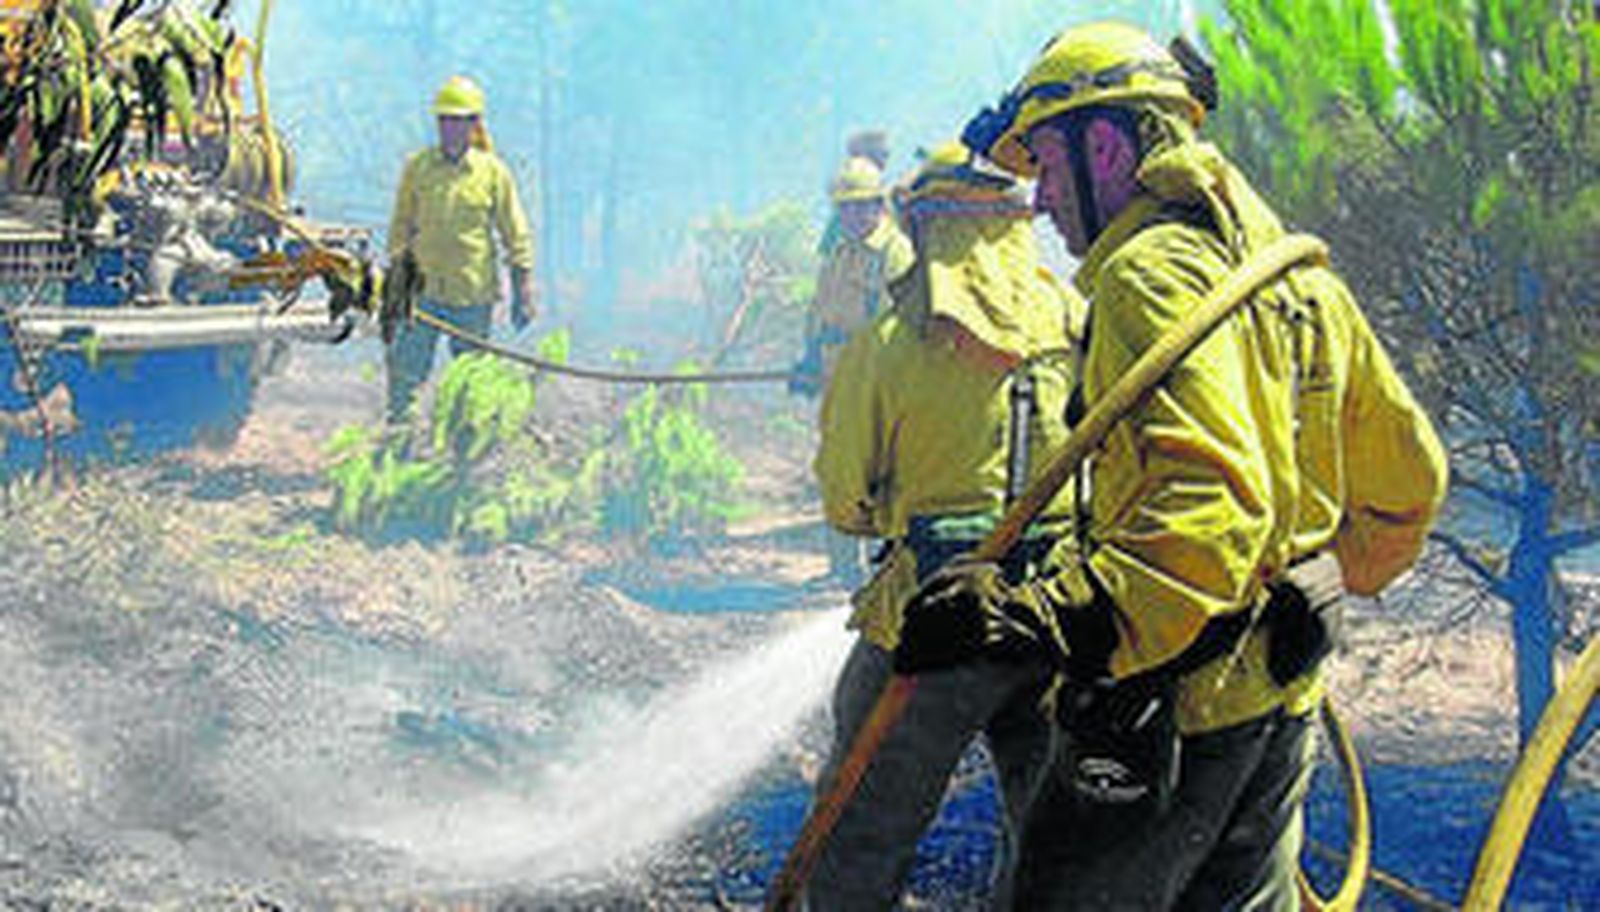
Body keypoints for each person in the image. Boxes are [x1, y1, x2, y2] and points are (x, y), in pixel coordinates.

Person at [897, 21, 1449, 909]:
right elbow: (1407, 486)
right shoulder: (1291, 274)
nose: (1038, 206)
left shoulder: (1145, 276)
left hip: (1165, 720)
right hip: (1278, 709)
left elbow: (1205, 517)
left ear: (1106, 146)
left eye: (1043, 164)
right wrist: (1322, 576)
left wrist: (1040, 617)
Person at [806, 141, 1087, 910]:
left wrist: (895, 509)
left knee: (863, 819)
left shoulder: (891, 348)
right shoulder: (1076, 321)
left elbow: (844, 502)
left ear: (928, 230)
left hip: (931, 624)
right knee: (1055, 826)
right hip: (1061, 615)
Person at [384, 75, 536, 426]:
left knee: (470, 383)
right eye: (445, 120)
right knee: (406, 372)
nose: (450, 128)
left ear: (474, 124)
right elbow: (401, 226)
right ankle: (399, 441)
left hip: (472, 296)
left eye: (458, 120)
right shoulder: (418, 168)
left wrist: (522, 291)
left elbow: (516, 234)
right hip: (421, 295)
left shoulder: (493, 173)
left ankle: (463, 452)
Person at [793, 155, 914, 587]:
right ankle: (842, 569)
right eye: (845, 206)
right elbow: (820, 310)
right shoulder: (840, 251)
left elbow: (896, 328)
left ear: (879, 205)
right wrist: (809, 357)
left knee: (880, 473)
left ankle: (886, 570)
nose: (853, 214)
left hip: (874, 383)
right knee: (836, 470)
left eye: (862, 205)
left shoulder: (894, 252)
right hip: (836, 380)